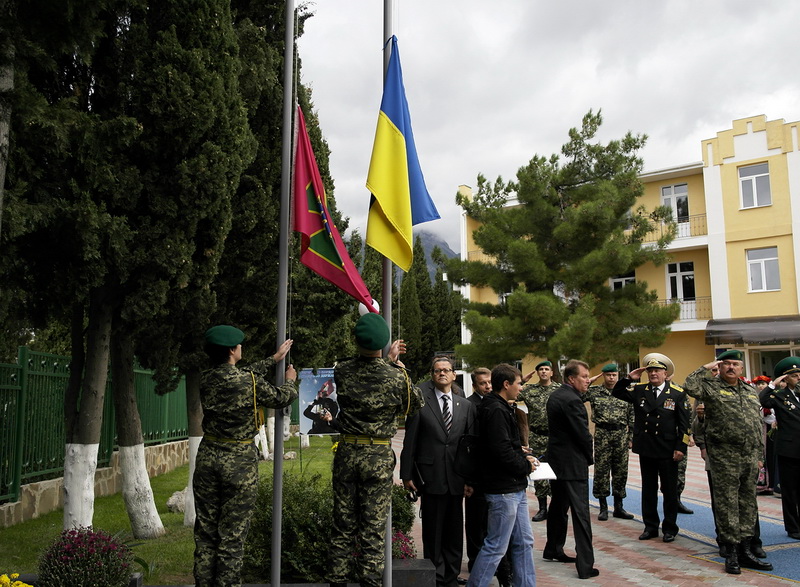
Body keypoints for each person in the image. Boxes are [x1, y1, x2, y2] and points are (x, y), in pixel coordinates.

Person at [193, 325, 298, 587]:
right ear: (232, 350)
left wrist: (272, 359)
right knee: (232, 535)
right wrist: (291, 380)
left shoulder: (205, 379)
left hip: (208, 457)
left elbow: (243, 374)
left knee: (205, 533)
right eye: (239, 345)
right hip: (238, 462)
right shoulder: (248, 382)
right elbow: (280, 397)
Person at [328, 313, 424, 587]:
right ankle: (370, 582)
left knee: (343, 524)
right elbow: (415, 404)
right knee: (372, 527)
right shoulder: (396, 378)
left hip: (347, 452)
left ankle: (337, 581)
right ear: (384, 344)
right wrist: (396, 365)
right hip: (378, 457)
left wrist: (387, 360)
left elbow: (365, 368)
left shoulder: (342, 370)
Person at [684, 350, 773, 574]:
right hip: (724, 456)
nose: (731, 368)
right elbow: (689, 385)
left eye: (736, 364)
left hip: (750, 457)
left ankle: (746, 550)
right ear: (720, 367)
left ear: (742, 369)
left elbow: (755, 424)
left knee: (748, 504)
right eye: (727, 364)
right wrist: (706, 367)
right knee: (727, 505)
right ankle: (731, 552)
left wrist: (760, 456)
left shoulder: (749, 390)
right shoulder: (711, 387)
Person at [401, 357, 477, 587]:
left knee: (454, 532)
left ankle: (452, 576)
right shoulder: (421, 402)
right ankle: (435, 576)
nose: (442, 373)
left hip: (456, 478)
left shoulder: (465, 406)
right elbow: (410, 441)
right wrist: (406, 475)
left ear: (454, 375)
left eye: (446, 370)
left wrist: (470, 479)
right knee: (433, 532)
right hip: (430, 477)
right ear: (432, 375)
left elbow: (469, 446)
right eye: (437, 371)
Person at [466, 364, 537, 587]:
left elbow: (505, 446)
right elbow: (500, 451)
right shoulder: (495, 410)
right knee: (496, 545)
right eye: (519, 384)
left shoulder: (501, 406)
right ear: (506, 385)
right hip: (503, 491)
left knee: (524, 542)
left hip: (514, 487)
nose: (521, 388)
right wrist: (525, 466)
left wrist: (521, 455)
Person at [612, 357, 689, 543]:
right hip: (647, 447)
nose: (653, 374)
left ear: (666, 374)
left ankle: (670, 528)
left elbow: (684, 424)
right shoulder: (640, 390)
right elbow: (617, 392)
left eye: (657, 370)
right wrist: (629, 378)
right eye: (650, 371)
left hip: (667, 449)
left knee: (669, 491)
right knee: (648, 489)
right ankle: (650, 526)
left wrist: (681, 447)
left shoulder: (677, 393)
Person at [543, 359, 598, 580]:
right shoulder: (573, 401)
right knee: (580, 514)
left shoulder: (556, 395)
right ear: (571, 379)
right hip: (573, 464)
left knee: (558, 506)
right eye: (584, 376)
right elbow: (582, 434)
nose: (588, 380)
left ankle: (553, 549)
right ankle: (585, 566)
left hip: (556, 461)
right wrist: (589, 457)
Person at [584, 363, 634, 521]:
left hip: (621, 434)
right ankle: (603, 507)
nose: (611, 378)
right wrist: (588, 382)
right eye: (608, 375)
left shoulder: (626, 392)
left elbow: (632, 415)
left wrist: (631, 436)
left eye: (614, 375)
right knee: (602, 471)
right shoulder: (594, 392)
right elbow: (576, 396)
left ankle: (619, 507)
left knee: (620, 471)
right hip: (602, 434)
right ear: (603, 376)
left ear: (618, 376)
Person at [759, 356, 800, 541]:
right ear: (785, 378)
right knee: (790, 491)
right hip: (788, 450)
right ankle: (793, 527)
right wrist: (773, 384)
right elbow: (763, 401)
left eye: (799, 374)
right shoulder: (778, 396)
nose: (798, 378)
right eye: (794, 375)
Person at [519, 360, 559, 522]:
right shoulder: (530, 390)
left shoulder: (559, 389)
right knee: (539, 473)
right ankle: (543, 508)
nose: (543, 372)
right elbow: (511, 392)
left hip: (555, 437)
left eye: (546, 369)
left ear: (551, 372)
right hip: (537, 436)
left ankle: (557, 506)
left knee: (557, 472)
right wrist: (522, 380)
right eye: (540, 369)